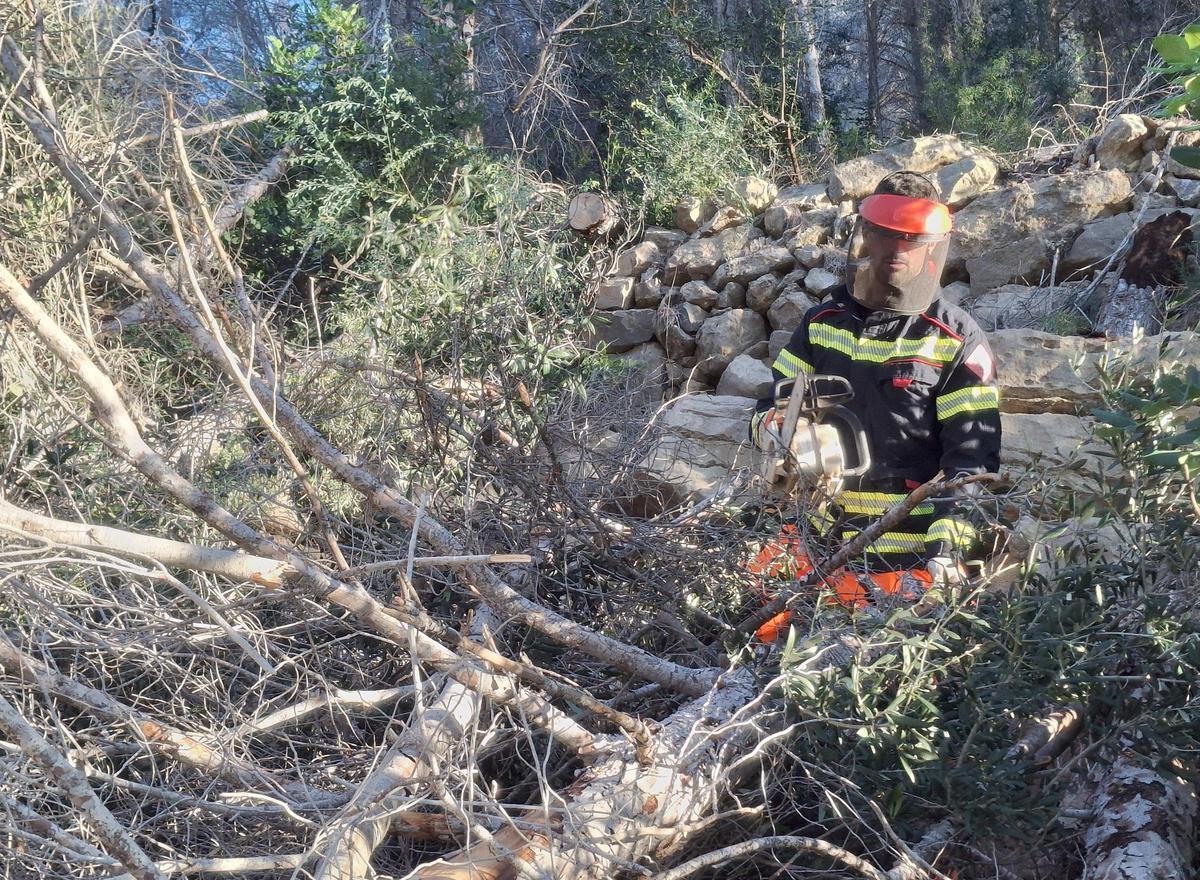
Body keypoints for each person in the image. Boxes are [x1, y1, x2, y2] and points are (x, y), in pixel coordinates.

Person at [748, 171, 1001, 619]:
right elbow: (769, 407)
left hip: (906, 556)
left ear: (930, 249)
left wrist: (945, 554)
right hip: (814, 536)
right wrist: (779, 433)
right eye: (883, 240)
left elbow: (972, 464)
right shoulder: (823, 321)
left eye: (907, 244)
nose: (893, 254)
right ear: (865, 238)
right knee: (756, 630)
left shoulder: (954, 339)